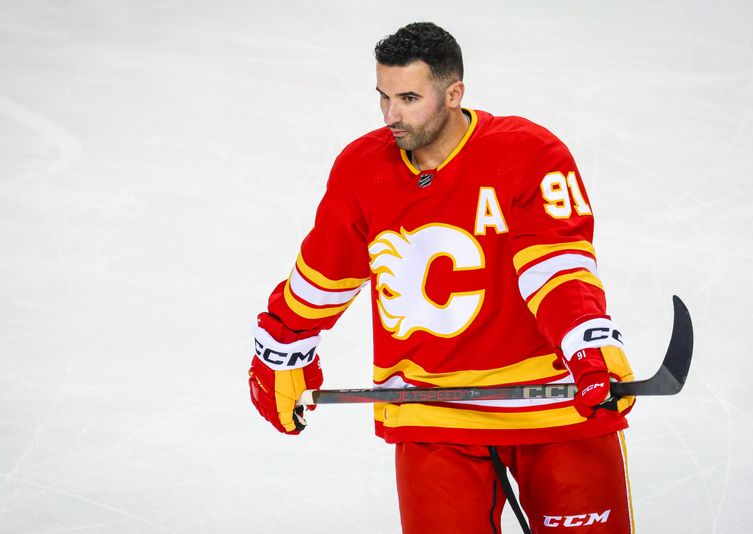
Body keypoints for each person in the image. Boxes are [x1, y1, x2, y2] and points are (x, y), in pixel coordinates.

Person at [249, 21, 637, 534]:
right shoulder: (363, 167)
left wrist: (586, 342)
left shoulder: (527, 153)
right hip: (431, 413)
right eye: (384, 97)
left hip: (555, 401)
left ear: (454, 93)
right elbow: (325, 273)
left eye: (409, 97)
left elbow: (556, 267)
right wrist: (281, 341)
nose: (392, 115)